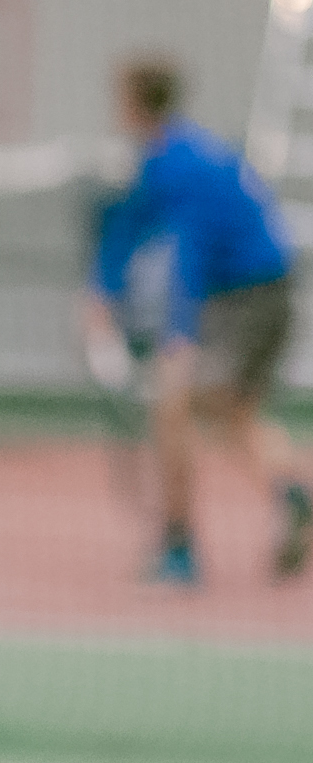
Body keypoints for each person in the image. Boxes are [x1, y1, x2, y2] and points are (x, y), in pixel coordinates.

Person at [84, 54, 311, 585]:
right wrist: (100, 292)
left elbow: (190, 256)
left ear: (133, 102)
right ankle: (296, 498)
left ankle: (179, 550)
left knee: (173, 405)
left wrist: (179, 337)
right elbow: (132, 226)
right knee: (233, 414)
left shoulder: (183, 165)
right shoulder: (172, 155)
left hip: (247, 302)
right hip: (266, 294)